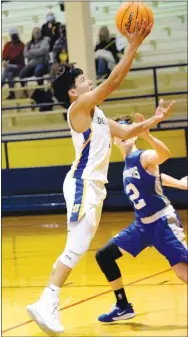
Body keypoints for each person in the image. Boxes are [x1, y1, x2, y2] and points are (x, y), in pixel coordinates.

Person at [26, 20, 173, 335]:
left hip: (93, 188)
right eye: (82, 79)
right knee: (76, 246)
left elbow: (128, 131)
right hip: (82, 185)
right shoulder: (78, 109)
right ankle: (46, 302)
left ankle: (47, 302)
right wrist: (132, 46)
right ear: (72, 92)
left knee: (76, 246)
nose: (89, 80)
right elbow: (114, 81)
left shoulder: (99, 116)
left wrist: (154, 119)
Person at [96, 111, 188, 323]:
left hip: (162, 223)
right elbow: (156, 176)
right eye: (118, 130)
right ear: (114, 137)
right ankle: (123, 306)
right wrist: (180, 183)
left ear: (133, 134)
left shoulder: (142, 156)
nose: (123, 133)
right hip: (141, 226)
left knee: (182, 272)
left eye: (126, 129)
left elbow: (163, 156)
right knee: (104, 255)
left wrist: (148, 135)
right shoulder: (129, 163)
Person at [19, 27, 49, 94]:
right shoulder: (29, 43)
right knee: (21, 74)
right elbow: (25, 54)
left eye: (38, 32)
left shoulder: (45, 41)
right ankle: (24, 91)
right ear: (32, 34)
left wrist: (31, 51)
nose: (37, 34)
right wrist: (36, 53)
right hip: (31, 64)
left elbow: (42, 51)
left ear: (41, 33)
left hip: (42, 63)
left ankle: (41, 90)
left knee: (38, 72)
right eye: (35, 32)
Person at [2, 28, 25, 99]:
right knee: (9, 74)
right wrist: (6, 60)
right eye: (12, 35)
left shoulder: (21, 45)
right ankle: (12, 94)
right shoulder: (8, 45)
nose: (14, 37)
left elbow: (16, 57)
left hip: (20, 67)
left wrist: (8, 59)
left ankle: (1, 83)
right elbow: (4, 56)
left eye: (15, 35)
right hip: (11, 68)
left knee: (8, 67)